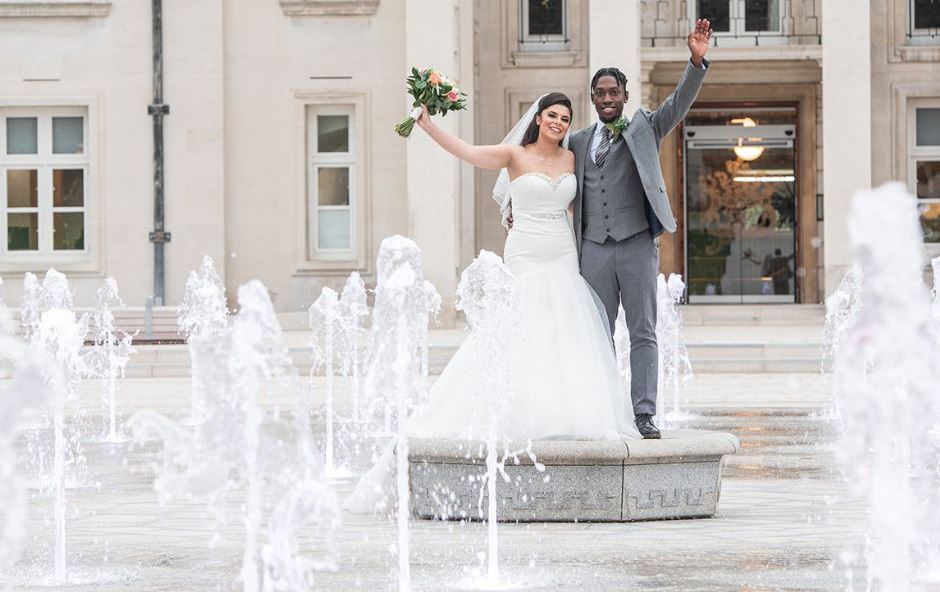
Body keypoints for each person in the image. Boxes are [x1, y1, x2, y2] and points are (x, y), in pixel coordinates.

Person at [343, 92, 639, 513]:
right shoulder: (513, 155)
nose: (558, 122)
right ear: (538, 119)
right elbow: (466, 151)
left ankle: (565, 412)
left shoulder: (574, 158)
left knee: (564, 326)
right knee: (519, 325)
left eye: (565, 117)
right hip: (525, 250)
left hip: (561, 248)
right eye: (552, 115)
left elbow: (591, 196)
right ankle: (509, 407)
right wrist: (427, 125)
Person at [567, 19, 713, 439]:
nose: (608, 98)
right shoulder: (577, 141)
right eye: (601, 93)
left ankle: (644, 413)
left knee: (643, 332)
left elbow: (678, 105)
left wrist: (696, 61)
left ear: (626, 95)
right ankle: (601, 409)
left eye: (614, 92)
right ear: (592, 98)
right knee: (597, 335)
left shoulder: (645, 126)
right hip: (592, 248)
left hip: (635, 244)